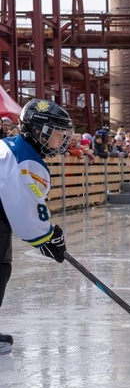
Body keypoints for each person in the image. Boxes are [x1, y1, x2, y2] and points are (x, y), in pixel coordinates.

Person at [0, 99, 74, 353]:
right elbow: (25, 211)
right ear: (38, 131)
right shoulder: (27, 161)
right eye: (58, 134)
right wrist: (47, 236)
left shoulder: (9, 145)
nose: (62, 140)